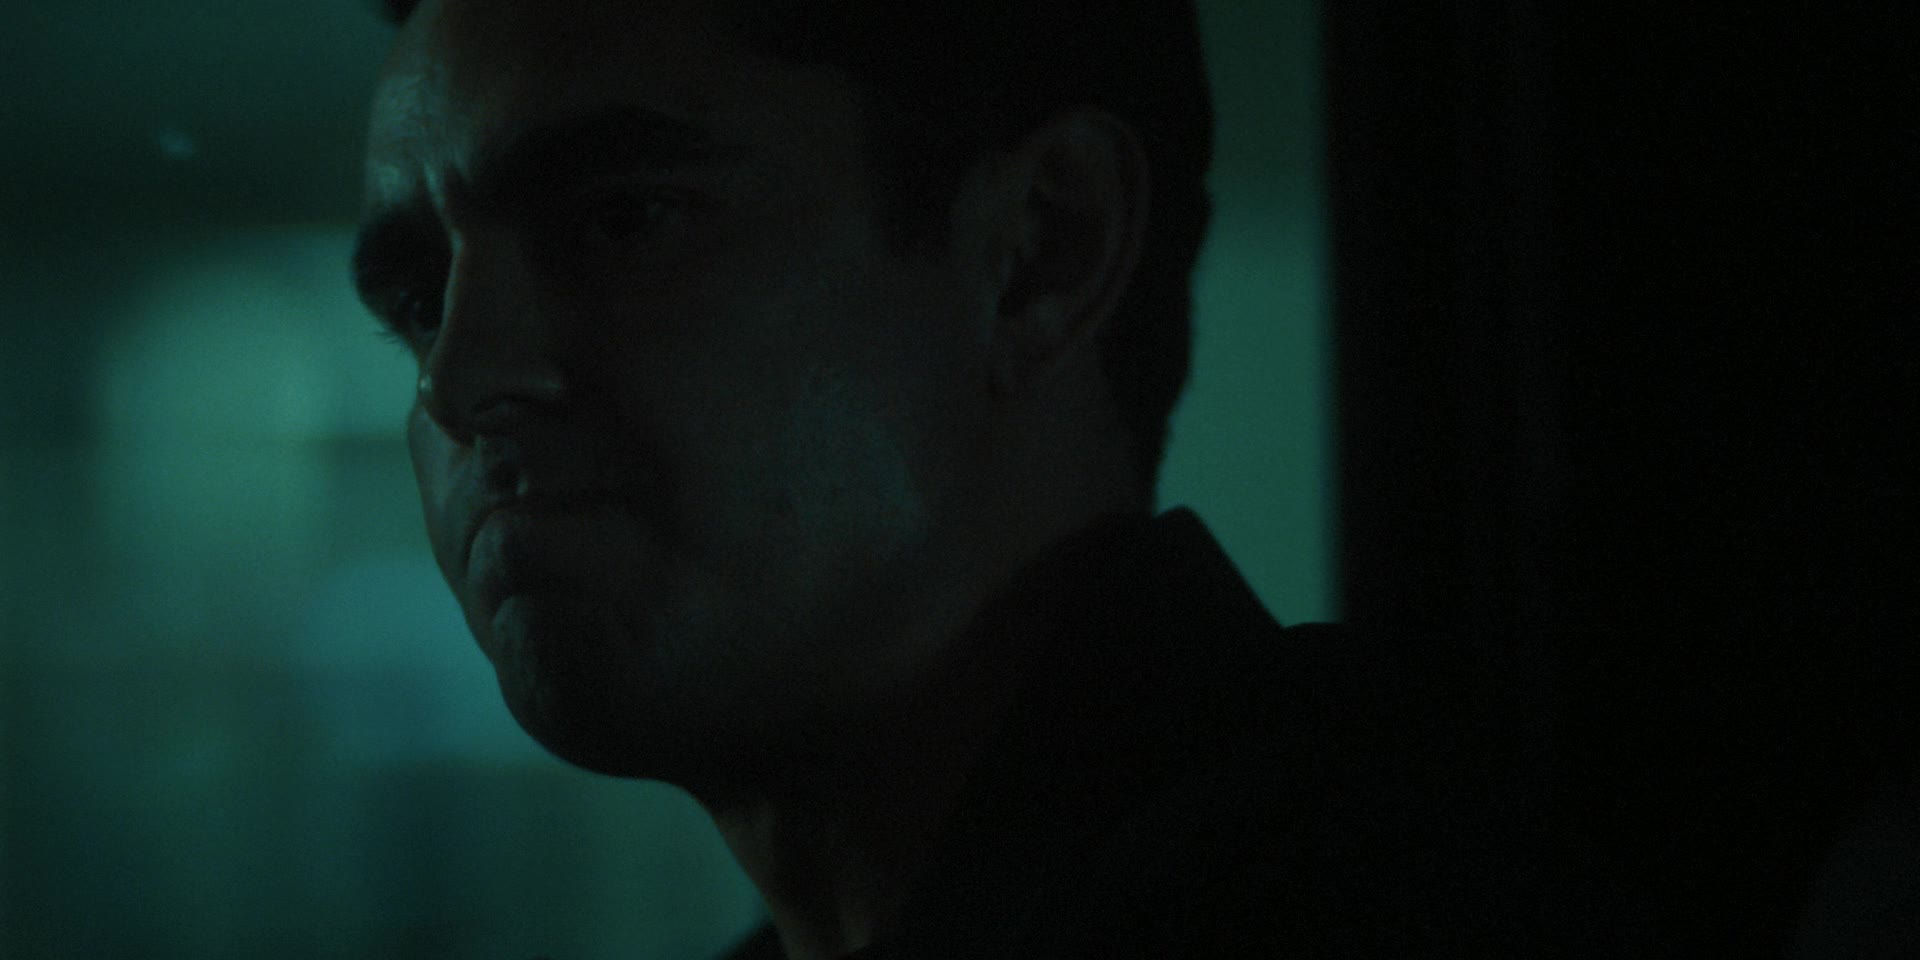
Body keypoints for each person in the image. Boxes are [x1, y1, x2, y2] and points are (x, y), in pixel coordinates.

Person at [351, 1, 1586, 956]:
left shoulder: (1395, 903)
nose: (457, 384)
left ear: (1040, 250)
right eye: (418, 299)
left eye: (622, 222)